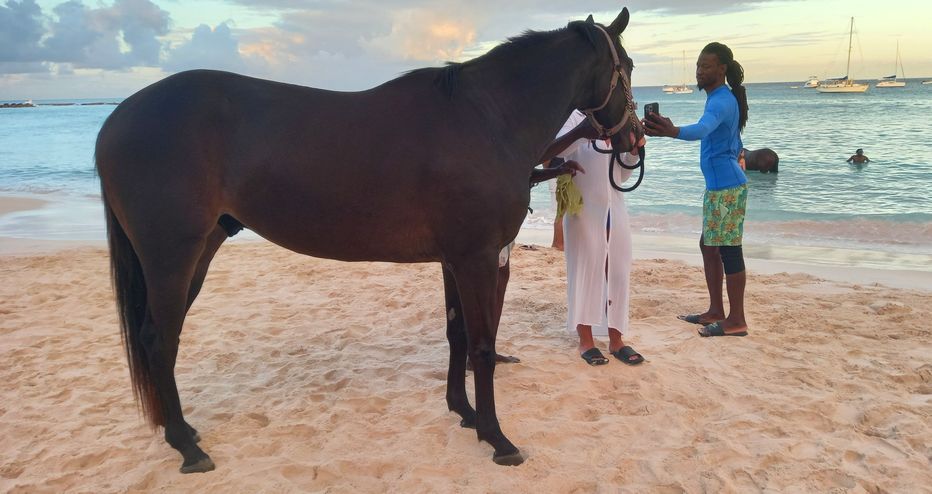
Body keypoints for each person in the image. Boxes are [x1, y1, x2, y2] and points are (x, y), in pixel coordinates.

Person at [643, 42, 750, 337]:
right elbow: (732, 138)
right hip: (718, 188)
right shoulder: (721, 98)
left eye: (706, 66)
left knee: (729, 251)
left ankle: (736, 320)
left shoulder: (720, 101)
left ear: (722, 69)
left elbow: (703, 129)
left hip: (727, 189)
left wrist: (671, 131)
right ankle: (716, 310)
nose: (700, 71)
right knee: (708, 247)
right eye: (698, 66)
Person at [538, 111, 646, 366]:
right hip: (583, 211)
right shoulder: (571, 118)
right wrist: (587, 131)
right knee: (585, 271)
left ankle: (616, 339)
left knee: (618, 272)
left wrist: (634, 149)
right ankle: (585, 339)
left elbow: (622, 175)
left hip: (615, 209)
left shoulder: (614, 117)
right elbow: (555, 153)